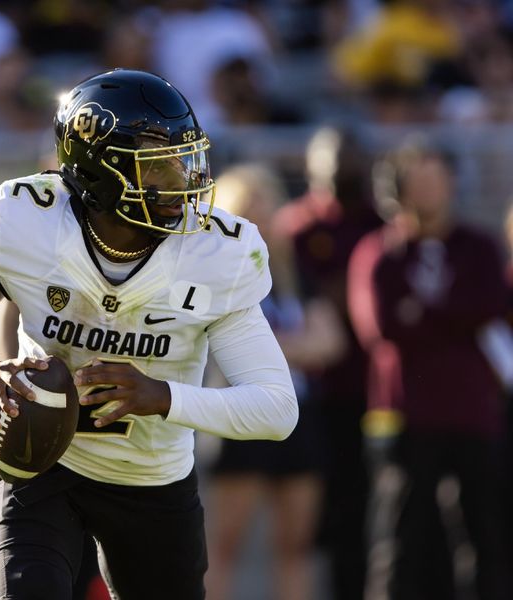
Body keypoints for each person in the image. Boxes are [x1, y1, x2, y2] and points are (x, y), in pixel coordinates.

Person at [0, 68, 298, 599]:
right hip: (38, 462)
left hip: (152, 476)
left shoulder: (217, 254)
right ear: (99, 174)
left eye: (184, 157)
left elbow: (276, 408)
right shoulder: (30, 224)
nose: (181, 179)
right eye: (157, 164)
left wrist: (160, 397)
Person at [348, 139, 510, 600]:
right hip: (403, 414)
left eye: (437, 179)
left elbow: (489, 305)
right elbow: (381, 326)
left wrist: (423, 313)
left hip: (473, 414)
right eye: (418, 181)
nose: (429, 191)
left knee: (482, 536)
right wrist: (452, 317)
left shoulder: (477, 246)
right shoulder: (378, 252)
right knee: (398, 539)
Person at [203, 164, 345, 600]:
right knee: (222, 547)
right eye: (247, 211)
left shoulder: (292, 274)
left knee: (295, 546)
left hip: (297, 418)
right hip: (237, 415)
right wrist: (292, 347)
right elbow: (217, 345)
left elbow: (332, 342)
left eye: (266, 208)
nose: (259, 222)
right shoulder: (212, 275)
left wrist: (261, 349)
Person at [272, 126, 382, 600]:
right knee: (322, 519)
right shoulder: (295, 228)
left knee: (370, 509)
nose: (341, 169)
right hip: (313, 397)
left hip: (370, 387)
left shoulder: (380, 224)